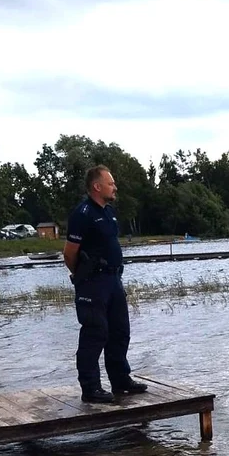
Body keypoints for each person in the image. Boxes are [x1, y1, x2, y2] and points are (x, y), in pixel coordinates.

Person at [63, 165, 147, 403]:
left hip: (113, 280)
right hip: (93, 282)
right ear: (97, 187)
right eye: (111, 183)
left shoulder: (109, 212)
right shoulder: (83, 214)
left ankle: (120, 380)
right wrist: (86, 278)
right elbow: (69, 254)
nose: (115, 187)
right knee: (94, 333)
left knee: (120, 331)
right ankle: (91, 388)